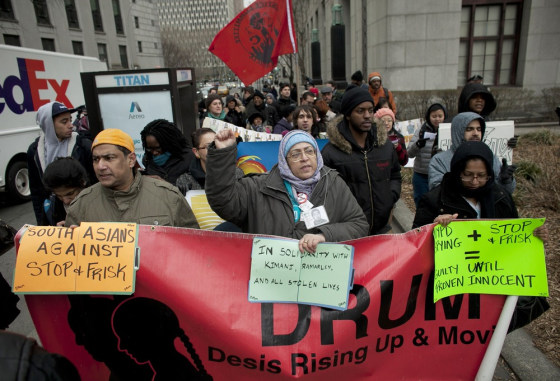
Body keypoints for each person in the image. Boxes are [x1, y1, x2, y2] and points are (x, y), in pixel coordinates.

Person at [205, 129, 369, 252]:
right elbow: (223, 201)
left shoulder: (333, 183)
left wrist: (324, 235)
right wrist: (223, 153)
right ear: (285, 161)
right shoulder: (258, 187)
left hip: (318, 283)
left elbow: (359, 225)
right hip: (271, 283)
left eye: (309, 151)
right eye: (295, 154)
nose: (304, 158)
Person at [65, 129, 199, 228]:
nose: (101, 166)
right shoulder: (81, 205)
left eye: (109, 158)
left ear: (131, 160)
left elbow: (192, 246)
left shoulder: (168, 196)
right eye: (95, 159)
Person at [321, 87, 402, 235]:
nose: (367, 116)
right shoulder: (330, 153)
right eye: (360, 111)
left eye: (370, 110)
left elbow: (395, 175)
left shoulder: (385, 146)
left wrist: (390, 197)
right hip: (349, 234)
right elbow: (323, 193)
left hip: (382, 229)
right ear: (348, 115)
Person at [28, 101, 96, 225]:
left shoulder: (83, 145)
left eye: (70, 120)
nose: (71, 125)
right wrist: (42, 225)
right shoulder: (34, 151)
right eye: (64, 122)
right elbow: (36, 191)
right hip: (55, 214)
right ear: (48, 124)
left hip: (85, 212)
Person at [428, 112, 516, 194]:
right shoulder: (440, 160)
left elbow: (506, 193)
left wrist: (505, 181)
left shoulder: (491, 158)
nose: (476, 133)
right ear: (457, 132)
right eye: (469, 129)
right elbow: (437, 192)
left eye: (479, 129)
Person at [178, 128, 244, 192]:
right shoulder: (185, 182)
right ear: (196, 152)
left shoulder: (236, 174)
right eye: (209, 146)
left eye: (216, 145)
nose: (215, 149)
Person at [407, 103, 448, 206]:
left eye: (440, 116)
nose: (437, 119)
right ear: (428, 117)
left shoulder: (448, 131)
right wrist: (418, 145)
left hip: (441, 175)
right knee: (422, 204)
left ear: (444, 116)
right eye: (434, 116)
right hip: (421, 174)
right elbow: (409, 153)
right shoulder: (421, 130)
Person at [140, 119, 194, 195]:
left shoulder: (190, 157)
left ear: (169, 143)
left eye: (158, 148)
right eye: (150, 148)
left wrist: (165, 184)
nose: (154, 152)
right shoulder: (147, 159)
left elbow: (195, 188)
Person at [42, 157, 90, 226]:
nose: (65, 201)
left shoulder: (101, 200)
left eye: (70, 194)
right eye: (59, 196)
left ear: (83, 183)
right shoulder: (50, 207)